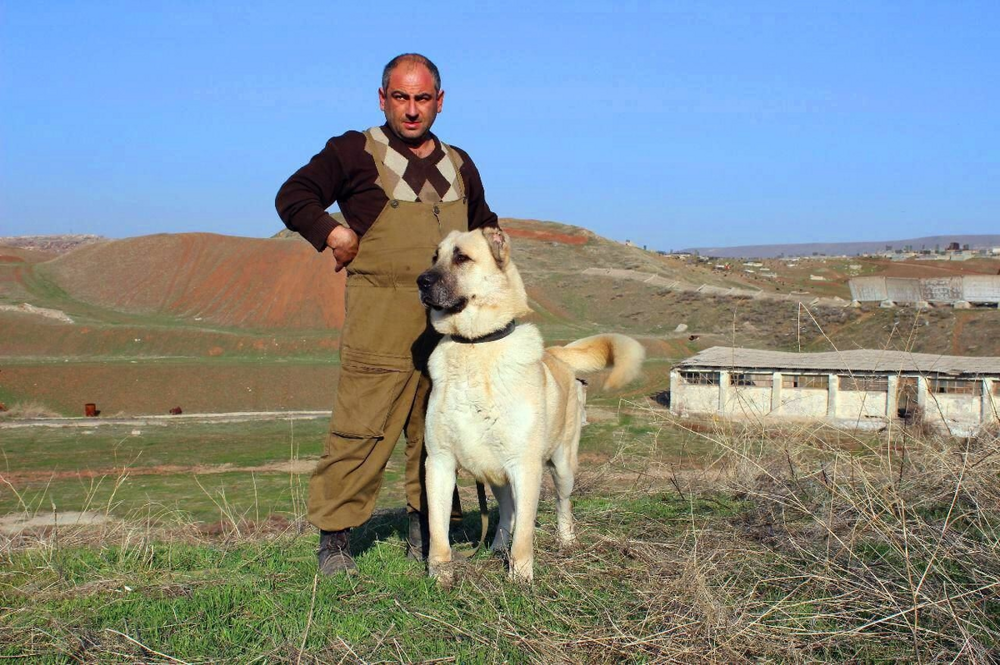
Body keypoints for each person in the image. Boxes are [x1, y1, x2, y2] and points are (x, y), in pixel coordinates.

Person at [275, 54, 499, 574]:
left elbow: (486, 229)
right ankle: (335, 541)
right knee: (362, 427)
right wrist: (331, 231)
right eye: (401, 97)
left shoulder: (460, 164)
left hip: (449, 326)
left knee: (438, 428)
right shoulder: (354, 151)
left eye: (423, 99)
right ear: (383, 99)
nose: (412, 110)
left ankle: (430, 528)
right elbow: (294, 195)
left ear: (439, 102)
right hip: (381, 317)